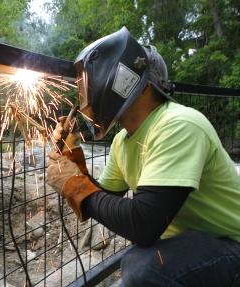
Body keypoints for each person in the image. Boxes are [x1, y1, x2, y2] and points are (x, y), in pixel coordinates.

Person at [47, 27, 240, 286]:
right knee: (140, 265)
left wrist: (77, 186)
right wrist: (73, 162)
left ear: (135, 81)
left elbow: (143, 224)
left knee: (141, 267)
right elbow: (103, 197)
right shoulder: (122, 141)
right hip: (193, 242)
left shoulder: (179, 124)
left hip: (231, 245)